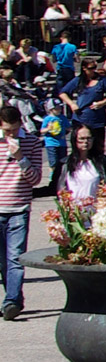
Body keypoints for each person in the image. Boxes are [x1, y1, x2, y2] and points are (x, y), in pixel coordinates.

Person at [0, 103, 40, 322]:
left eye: (15, 130)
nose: (11, 135)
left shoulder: (31, 142)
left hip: (19, 208)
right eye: (7, 130)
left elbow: (35, 179)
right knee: (2, 261)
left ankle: (12, 302)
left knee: (15, 258)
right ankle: (13, 297)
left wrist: (20, 158)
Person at [54, 123, 106, 202]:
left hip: (98, 207)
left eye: (89, 138)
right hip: (73, 208)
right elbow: (53, 188)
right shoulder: (64, 164)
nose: (85, 142)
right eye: (81, 139)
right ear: (74, 140)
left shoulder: (105, 162)